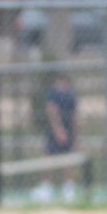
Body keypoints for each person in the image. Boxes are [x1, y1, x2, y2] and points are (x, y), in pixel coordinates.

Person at [33, 73, 79, 204]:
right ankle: (47, 189)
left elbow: (74, 116)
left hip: (66, 131)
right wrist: (58, 129)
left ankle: (68, 190)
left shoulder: (70, 94)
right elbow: (52, 110)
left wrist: (74, 136)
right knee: (50, 158)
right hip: (56, 132)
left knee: (67, 160)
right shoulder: (54, 93)